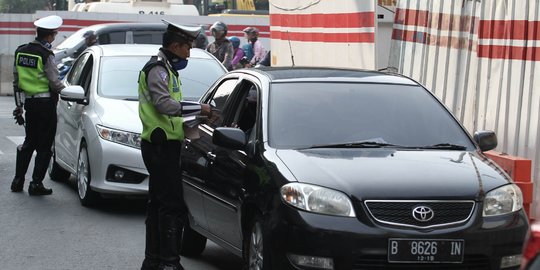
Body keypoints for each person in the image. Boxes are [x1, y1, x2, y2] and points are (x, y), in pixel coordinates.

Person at [138, 19, 212, 270]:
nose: (189, 52)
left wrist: (191, 121)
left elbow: (171, 111)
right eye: (188, 47)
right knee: (171, 205)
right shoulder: (157, 70)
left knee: (159, 203)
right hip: (159, 148)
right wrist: (199, 107)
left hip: (165, 145)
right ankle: (168, 263)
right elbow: (165, 105)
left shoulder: (167, 69)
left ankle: (154, 261)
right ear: (177, 46)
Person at [10, 15, 65, 195]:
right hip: (46, 105)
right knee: (44, 145)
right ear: (49, 36)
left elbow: (16, 81)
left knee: (29, 142)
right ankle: (36, 184)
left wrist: (19, 106)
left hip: (30, 105)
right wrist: (65, 90)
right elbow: (54, 82)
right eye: (54, 35)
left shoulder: (21, 51)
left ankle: (17, 181)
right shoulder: (46, 54)